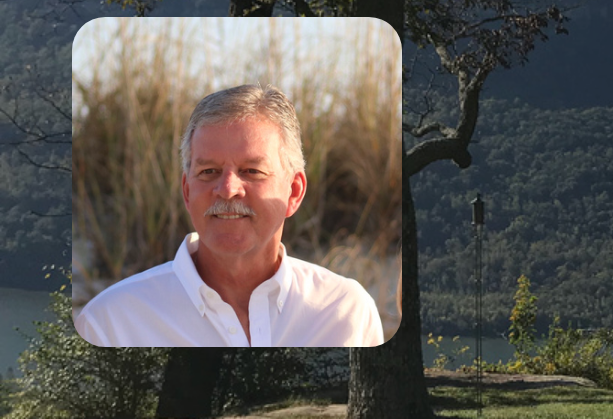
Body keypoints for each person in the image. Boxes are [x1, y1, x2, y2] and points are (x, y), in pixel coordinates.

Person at [75, 84, 387, 347]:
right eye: (208, 171)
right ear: (187, 192)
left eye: (251, 171)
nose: (227, 190)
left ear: (294, 192)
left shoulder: (345, 314)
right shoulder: (110, 324)